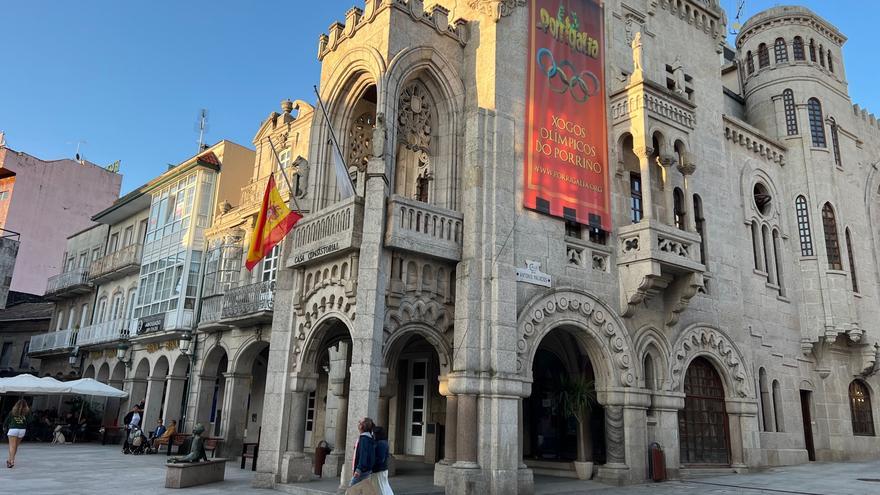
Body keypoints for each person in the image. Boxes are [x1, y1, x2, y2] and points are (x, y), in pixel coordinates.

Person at [4, 399, 31, 468]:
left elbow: (7, 420)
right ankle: (10, 460)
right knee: (15, 446)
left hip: (13, 429)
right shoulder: (27, 412)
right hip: (22, 430)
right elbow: (30, 420)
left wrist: (4, 426)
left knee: (12, 446)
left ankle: (12, 461)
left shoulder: (13, 411)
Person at [350, 417, 375, 486]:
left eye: (359, 422)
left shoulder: (364, 439)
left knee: (351, 490)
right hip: (366, 469)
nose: (358, 424)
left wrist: (359, 469)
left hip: (362, 471)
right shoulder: (368, 437)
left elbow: (363, 455)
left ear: (362, 426)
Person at [372, 426, 393, 494]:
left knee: (381, 488)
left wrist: (372, 464)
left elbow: (381, 458)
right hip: (382, 469)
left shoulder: (381, 443)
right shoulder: (383, 442)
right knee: (383, 486)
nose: (373, 435)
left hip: (379, 469)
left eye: (373, 433)